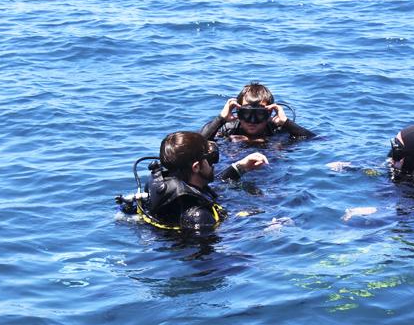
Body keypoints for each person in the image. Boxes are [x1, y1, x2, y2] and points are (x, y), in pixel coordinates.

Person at [118, 131, 268, 231]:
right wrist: (263, 230)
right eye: (210, 160)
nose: (213, 164)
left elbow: (208, 186)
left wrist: (240, 167)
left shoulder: (165, 183)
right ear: (196, 167)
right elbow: (212, 262)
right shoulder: (198, 216)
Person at [200, 82, 315, 142]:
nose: (252, 121)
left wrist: (285, 122)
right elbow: (196, 145)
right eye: (246, 113)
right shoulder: (227, 128)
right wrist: (220, 119)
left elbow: (313, 139)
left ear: (269, 113)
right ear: (238, 111)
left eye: (260, 114)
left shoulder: (277, 129)